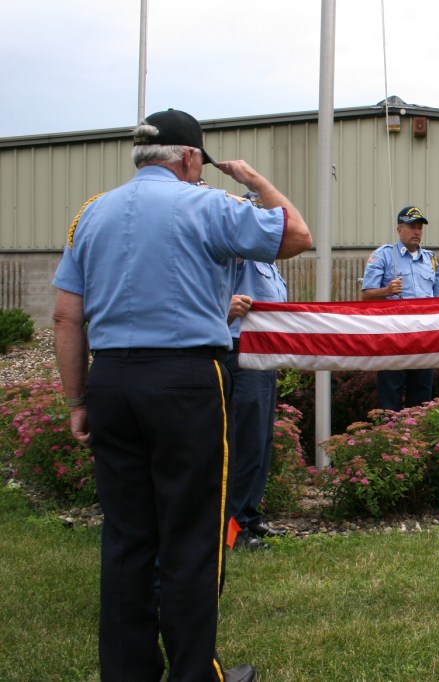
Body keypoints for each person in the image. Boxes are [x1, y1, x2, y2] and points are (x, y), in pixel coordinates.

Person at [52, 108, 311, 682]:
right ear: (191, 158)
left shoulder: (91, 214)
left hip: (113, 381)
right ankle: (194, 674)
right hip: (187, 380)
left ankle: (128, 673)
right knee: (192, 533)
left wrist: (77, 400)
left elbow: (66, 317)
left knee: (125, 537)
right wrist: (253, 181)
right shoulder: (209, 204)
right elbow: (296, 235)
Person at [226, 193, 290, 551]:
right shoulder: (237, 252)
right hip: (240, 352)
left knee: (262, 440)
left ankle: (249, 515)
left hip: (265, 355)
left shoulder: (266, 260)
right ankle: (233, 528)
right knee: (245, 441)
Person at [360, 205, 439, 411]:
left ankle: (417, 440)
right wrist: (387, 290)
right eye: (412, 227)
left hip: (424, 336)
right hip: (393, 336)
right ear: (400, 230)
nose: (417, 232)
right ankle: (390, 439)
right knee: (390, 396)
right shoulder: (384, 256)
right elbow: (366, 295)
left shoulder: (431, 260)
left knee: (422, 397)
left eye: (420, 228)